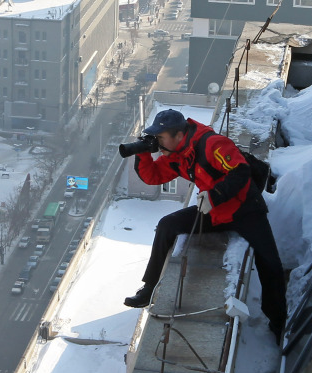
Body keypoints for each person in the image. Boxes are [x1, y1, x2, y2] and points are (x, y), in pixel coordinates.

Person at [122, 109, 287, 344]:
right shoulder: (177, 154)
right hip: (213, 211)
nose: (157, 142)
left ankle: (278, 322)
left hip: (245, 210)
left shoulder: (212, 144)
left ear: (179, 135)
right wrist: (143, 153)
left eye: (160, 137)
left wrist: (214, 195)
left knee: (270, 262)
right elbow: (153, 177)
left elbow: (241, 171)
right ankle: (149, 288)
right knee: (167, 225)